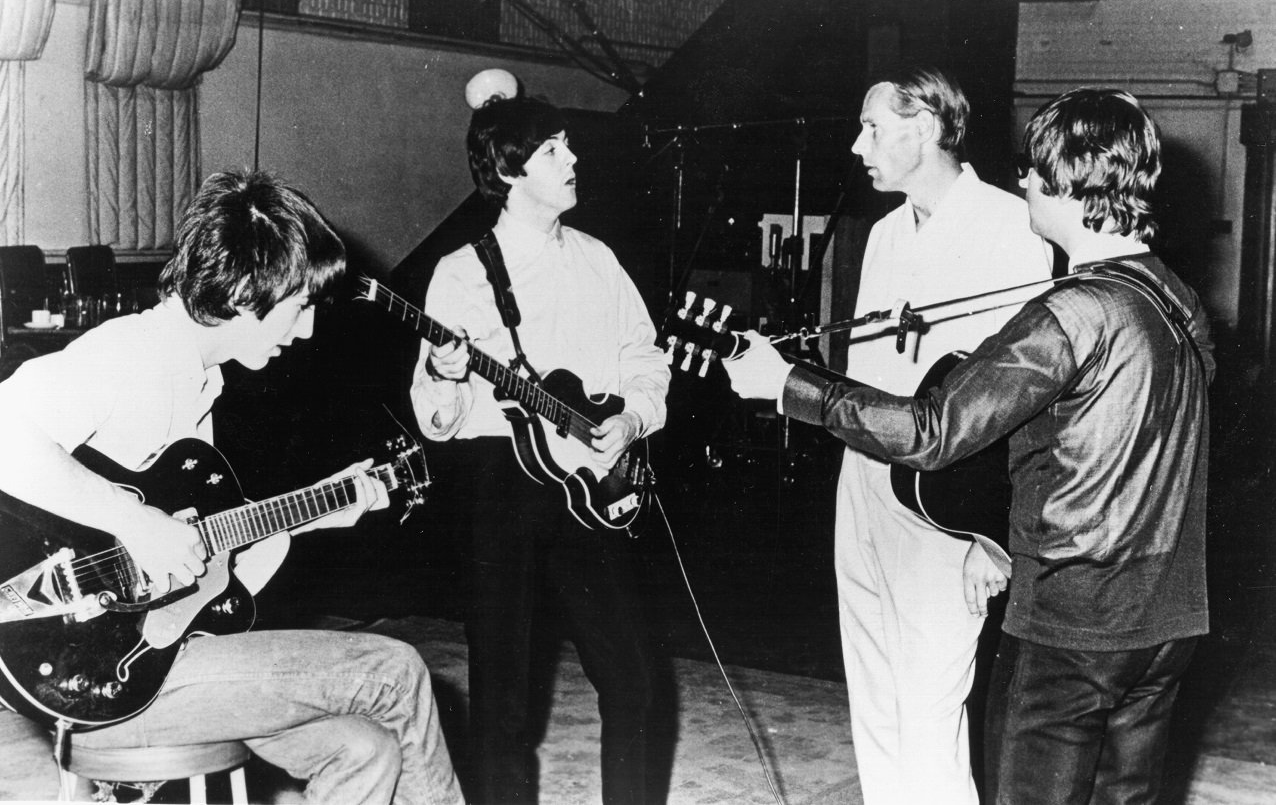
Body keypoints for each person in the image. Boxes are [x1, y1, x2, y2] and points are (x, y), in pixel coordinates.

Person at [724, 86, 1212, 805]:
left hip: (1071, 621)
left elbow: (933, 429)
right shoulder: (1177, 298)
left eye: (1034, 170)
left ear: (1068, 183)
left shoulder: (1070, 312)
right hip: (1165, 617)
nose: (1024, 182)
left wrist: (788, 384)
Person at [0, 170, 465, 804]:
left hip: (163, 652)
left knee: (365, 748)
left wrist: (317, 511)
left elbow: (210, 572)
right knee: (396, 669)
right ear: (247, 294)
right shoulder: (131, 353)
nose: (305, 330)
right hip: (98, 670)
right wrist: (133, 521)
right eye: (300, 306)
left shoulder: (199, 381)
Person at [409, 95, 669, 804]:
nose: (573, 158)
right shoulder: (462, 272)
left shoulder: (598, 258)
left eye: (567, 144)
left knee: (635, 681)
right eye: (553, 149)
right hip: (503, 487)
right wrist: (445, 372)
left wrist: (634, 417)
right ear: (509, 171)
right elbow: (436, 419)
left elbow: (644, 356)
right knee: (503, 703)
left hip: (595, 484)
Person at [819, 65, 1054, 804]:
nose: (858, 146)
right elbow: (863, 377)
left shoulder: (1011, 226)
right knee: (875, 696)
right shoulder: (884, 233)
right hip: (863, 487)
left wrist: (991, 536)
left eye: (873, 128)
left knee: (928, 708)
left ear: (924, 127)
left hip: (945, 503)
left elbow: (1019, 402)